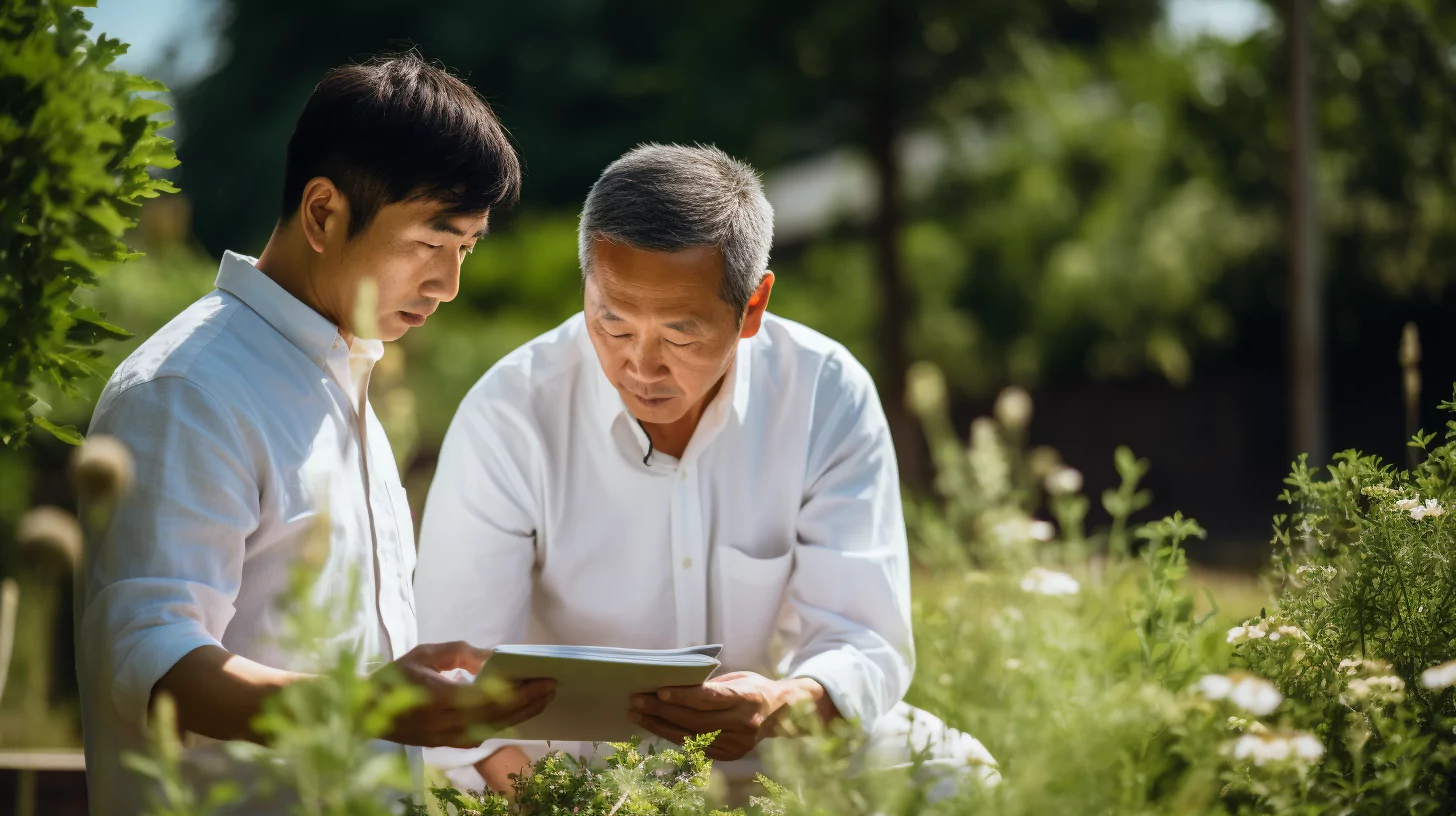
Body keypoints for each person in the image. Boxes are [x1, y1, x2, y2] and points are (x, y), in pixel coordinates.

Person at [414, 143, 997, 796]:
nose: (641, 363)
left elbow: (862, 640)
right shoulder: (510, 413)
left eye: (681, 334)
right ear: (586, 285)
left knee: (961, 779)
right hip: (583, 776)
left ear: (753, 309)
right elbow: (457, 676)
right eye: (611, 322)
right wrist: (563, 807)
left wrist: (780, 705)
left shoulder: (823, 392)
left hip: (781, 751)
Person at [77, 53, 554, 816]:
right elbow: (150, 662)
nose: (448, 284)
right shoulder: (189, 388)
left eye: (466, 250)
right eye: (431, 243)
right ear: (324, 212)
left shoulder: (346, 377)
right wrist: (363, 708)